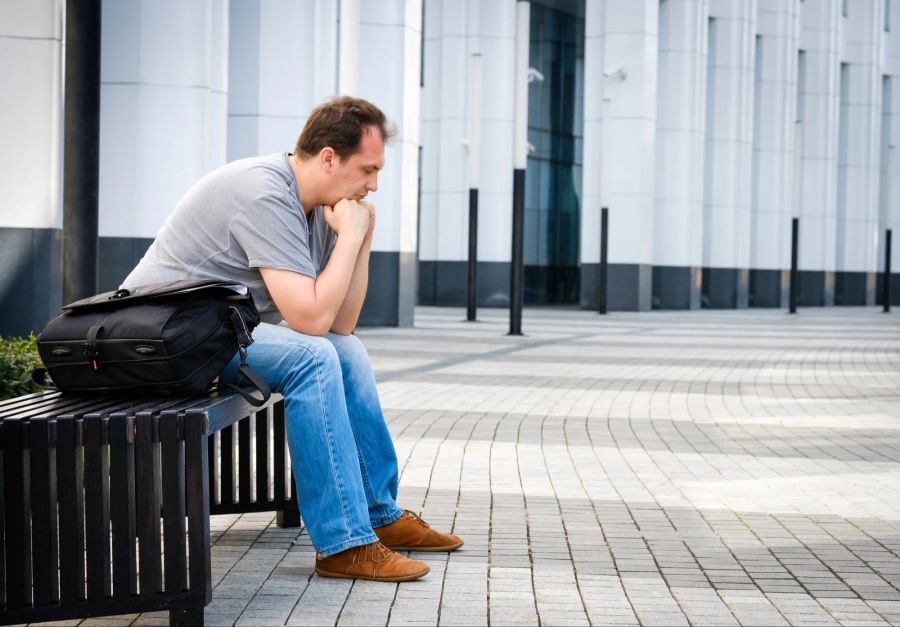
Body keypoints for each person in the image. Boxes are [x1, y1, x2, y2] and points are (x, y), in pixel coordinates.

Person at [122, 96, 462, 582]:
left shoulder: (322, 207)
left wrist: (359, 239)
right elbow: (310, 321)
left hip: (215, 330)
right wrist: (348, 239)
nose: (374, 185)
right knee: (313, 358)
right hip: (166, 338)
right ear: (328, 157)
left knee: (347, 352)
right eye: (367, 169)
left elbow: (342, 324)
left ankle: (378, 513)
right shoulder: (265, 193)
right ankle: (343, 543)